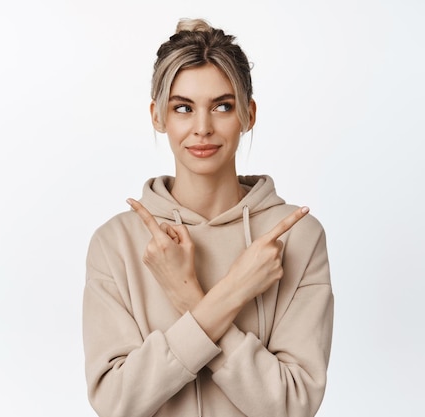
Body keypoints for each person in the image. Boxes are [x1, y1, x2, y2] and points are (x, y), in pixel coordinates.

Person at [83, 18, 334, 417]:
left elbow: (291, 406)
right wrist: (234, 289)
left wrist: (190, 299)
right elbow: (117, 404)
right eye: (183, 108)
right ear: (158, 116)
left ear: (248, 114)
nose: (202, 128)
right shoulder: (116, 243)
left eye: (222, 106)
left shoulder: (296, 238)